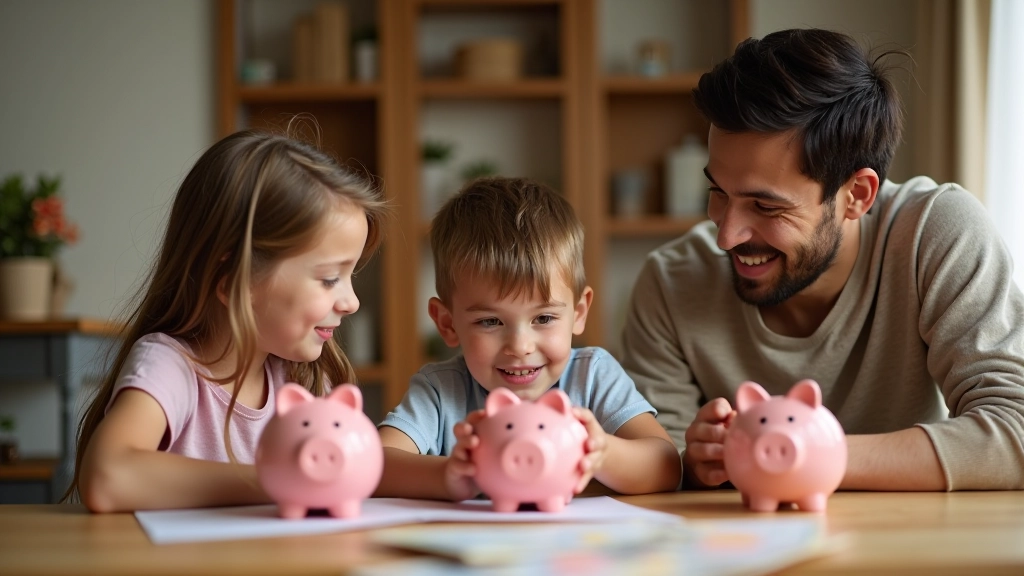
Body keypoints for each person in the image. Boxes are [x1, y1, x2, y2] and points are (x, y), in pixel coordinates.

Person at [621, 28, 1024, 492]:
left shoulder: (934, 233)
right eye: (717, 192)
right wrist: (693, 462)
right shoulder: (671, 281)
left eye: (766, 206)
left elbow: (1013, 432)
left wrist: (803, 450)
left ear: (856, 195)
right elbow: (656, 468)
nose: (726, 236)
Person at [65, 128, 389, 512]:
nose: (351, 302)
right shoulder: (170, 368)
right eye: (330, 279)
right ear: (236, 279)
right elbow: (108, 478)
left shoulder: (304, 379)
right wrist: (281, 477)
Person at [376, 177, 681, 501]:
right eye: (490, 321)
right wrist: (449, 475)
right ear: (448, 323)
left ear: (578, 313)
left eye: (544, 318)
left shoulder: (593, 376)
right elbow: (375, 465)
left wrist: (602, 454)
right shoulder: (440, 390)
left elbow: (667, 466)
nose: (521, 346)